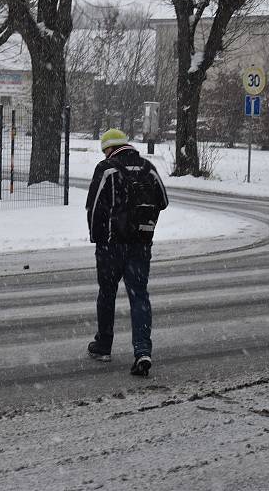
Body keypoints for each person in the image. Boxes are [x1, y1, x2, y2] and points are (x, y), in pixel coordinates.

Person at [85, 128, 168, 376]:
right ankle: (142, 351)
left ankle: (103, 346)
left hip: (112, 245)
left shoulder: (107, 168)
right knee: (139, 296)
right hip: (141, 244)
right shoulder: (148, 167)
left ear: (108, 149)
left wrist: (97, 238)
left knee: (107, 293)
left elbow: (93, 206)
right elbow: (163, 200)